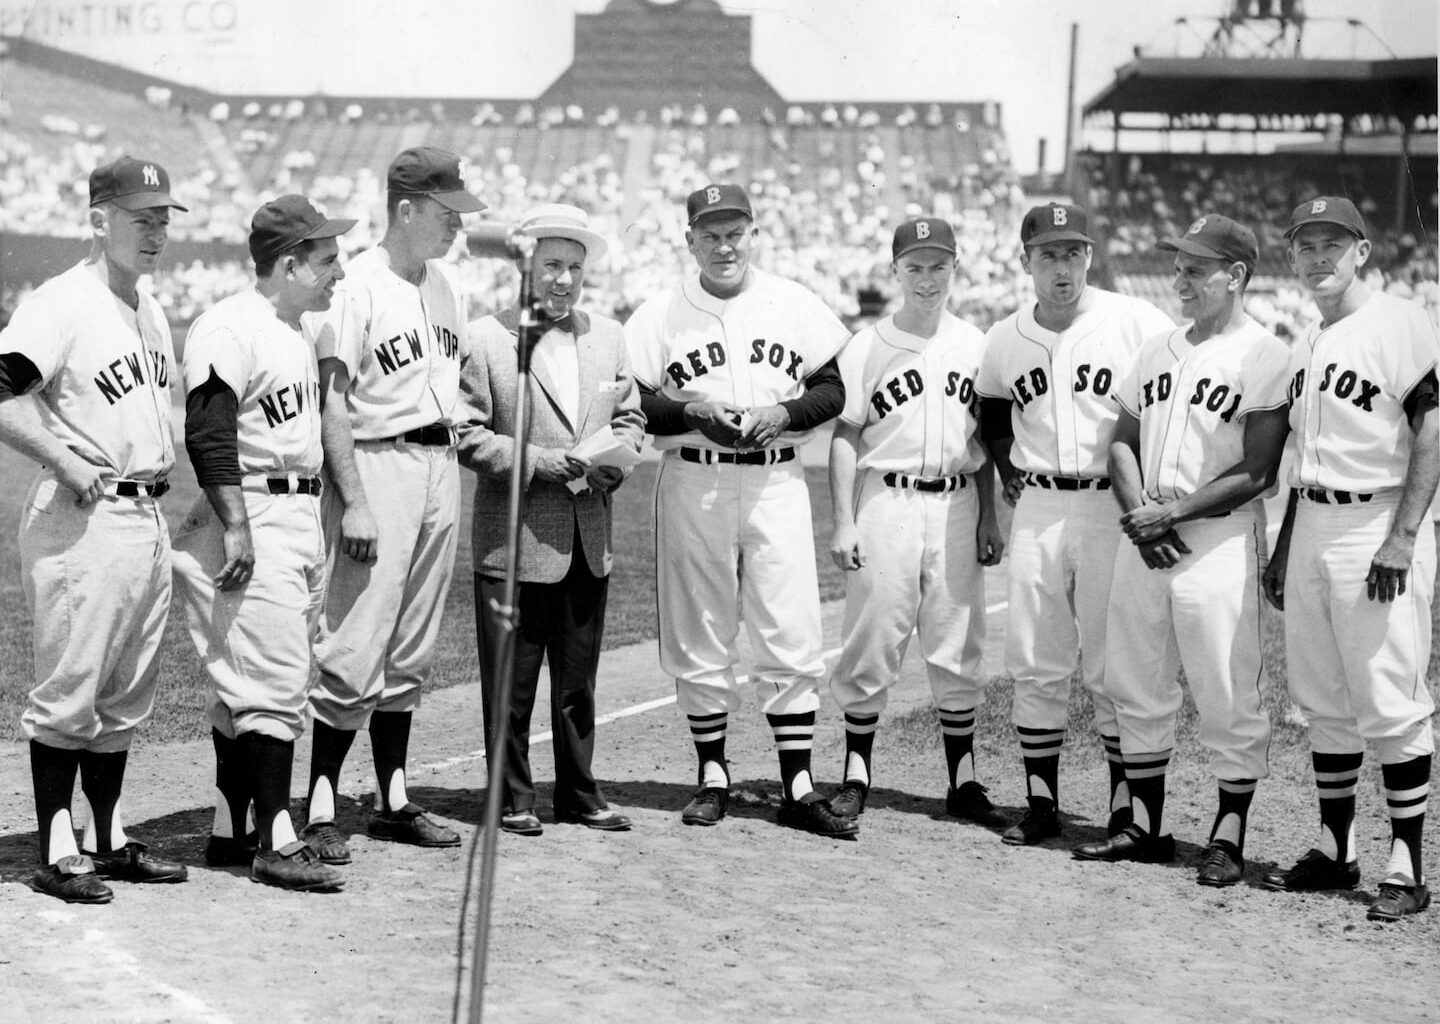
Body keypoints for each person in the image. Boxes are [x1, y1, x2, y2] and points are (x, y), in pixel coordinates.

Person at [623, 184, 855, 838]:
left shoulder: (793, 302)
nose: (724, 245)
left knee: (791, 626)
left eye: (736, 232)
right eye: (711, 233)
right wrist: (693, 410)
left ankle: (798, 782)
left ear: (753, 233)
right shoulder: (662, 312)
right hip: (694, 479)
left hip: (776, 479)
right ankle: (713, 775)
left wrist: (783, 413)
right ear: (690, 238)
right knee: (701, 629)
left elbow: (833, 388)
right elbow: (637, 399)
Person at [1069, 214, 1289, 885]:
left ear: (1237, 275)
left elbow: (1259, 468)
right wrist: (1142, 511)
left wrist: (1172, 512)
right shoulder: (1159, 348)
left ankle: (1228, 832)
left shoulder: (1267, 353)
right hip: (1148, 530)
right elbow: (1120, 440)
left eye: (1197, 267)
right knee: (1134, 679)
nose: (1181, 278)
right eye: (1179, 265)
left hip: (1218, 534)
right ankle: (1144, 824)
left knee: (1226, 686)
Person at [0, 155, 189, 903]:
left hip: (142, 513)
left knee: (124, 690)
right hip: (82, 513)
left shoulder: (147, 307)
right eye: (142, 218)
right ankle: (55, 845)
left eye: (163, 219)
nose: (156, 233)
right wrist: (65, 461)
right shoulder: (62, 301)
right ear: (98, 219)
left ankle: (108, 836)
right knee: (73, 686)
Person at [301, 147, 485, 863]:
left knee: (411, 646)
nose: (455, 228)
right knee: (355, 640)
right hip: (378, 465)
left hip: (440, 465)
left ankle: (393, 798)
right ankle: (320, 801)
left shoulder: (448, 287)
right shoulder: (357, 289)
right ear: (406, 209)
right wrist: (353, 500)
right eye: (446, 215)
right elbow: (334, 402)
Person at [1260, 196, 1439, 922]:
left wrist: (1401, 537)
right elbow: (1305, 460)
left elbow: (1431, 431)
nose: (1318, 257)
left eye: (1333, 242)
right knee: (1324, 697)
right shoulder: (1308, 342)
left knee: (1389, 695)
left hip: (1376, 518)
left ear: (1362, 252)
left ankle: (1406, 864)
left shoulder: (1399, 322)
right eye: (1305, 246)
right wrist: (1282, 547)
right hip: (1313, 525)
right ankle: (1337, 850)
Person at [171, 195, 355, 891]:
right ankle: (278, 840)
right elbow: (208, 432)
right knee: (274, 682)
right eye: (327, 258)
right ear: (288, 264)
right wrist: (237, 523)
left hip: (295, 514)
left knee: (248, 682)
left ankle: (229, 824)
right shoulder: (228, 326)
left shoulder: (297, 329)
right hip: (252, 508)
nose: (338, 271)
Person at [976, 202, 1173, 846]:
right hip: (1037, 505)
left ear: (1090, 256)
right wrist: (1006, 468)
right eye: (1049, 254)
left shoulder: (1136, 320)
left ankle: (1123, 807)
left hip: (1109, 505)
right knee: (1035, 657)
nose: (1063, 266)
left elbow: (1173, 396)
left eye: (1074, 252)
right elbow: (994, 414)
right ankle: (1041, 803)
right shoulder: (1005, 337)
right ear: (1025, 260)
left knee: (1112, 661)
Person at [461, 203, 643, 836]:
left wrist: (614, 463)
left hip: (589, 536)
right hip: (513, 542)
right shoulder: (487, 338)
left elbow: (631, 418)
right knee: (510, 688)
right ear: (526, 268)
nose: (563, 280)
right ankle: (512, 796)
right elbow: (465, 432)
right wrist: (540, 462)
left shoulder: (610, 336)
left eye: (574, 267)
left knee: (576, 683)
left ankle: (580, 792)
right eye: (551, 266)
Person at [825, 217, 1006, 825]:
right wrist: (843, 521)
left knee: (958, 637)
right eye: (915, 266)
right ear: (896, 271)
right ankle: (856, 774)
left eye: (938, 266)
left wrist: (989, 516)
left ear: (956, 269)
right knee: (874, 635)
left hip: (957, 501)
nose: (927, 279)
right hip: (888, 500)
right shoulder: (867, 344)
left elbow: (980, 438)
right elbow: (846, 436)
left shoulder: (978, 345)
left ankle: (964, 781)